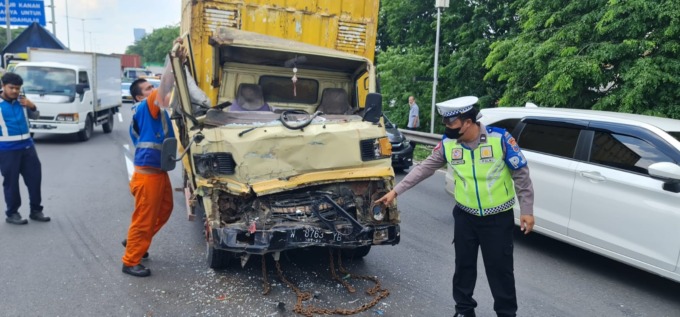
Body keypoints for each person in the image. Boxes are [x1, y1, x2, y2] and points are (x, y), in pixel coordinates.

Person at [376, 96, 535, 317]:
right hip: (465, 217)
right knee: (464, 268)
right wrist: (395, 191)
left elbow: (521, 175)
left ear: (467, 122)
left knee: (500, 271)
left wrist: (527, 210)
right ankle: (464, 311)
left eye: (451, 123)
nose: (446, 127)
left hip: (498, 219)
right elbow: (424, 169)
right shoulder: (449, 144)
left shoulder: (500, 140)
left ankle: (507, 313)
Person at [121, 45, 182, 277]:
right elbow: (166, 85)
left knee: (164, 210)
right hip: (148, 177)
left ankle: (136, 241)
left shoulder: (155, 109)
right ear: (139, 96)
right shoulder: (146, 107)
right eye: (148, 88)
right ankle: (130, 260)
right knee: (144, 219)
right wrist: (174, 60)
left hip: (158, 173)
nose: (153, 90)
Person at [0, 72, 50, 225]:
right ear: (3, 86)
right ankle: (12, 213)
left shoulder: (22, 101)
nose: (15, 91)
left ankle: (36, 211)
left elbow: (35, 116)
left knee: (35, 179)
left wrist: (32, 105)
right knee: (11, 182)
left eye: (17, 88)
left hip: (28, 147)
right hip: (7, 149)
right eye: (12, 88)